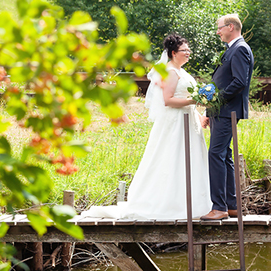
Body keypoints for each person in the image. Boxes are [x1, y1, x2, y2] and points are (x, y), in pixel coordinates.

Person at [81, 34, 212, 220]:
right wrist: (195, 100)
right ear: (174, 53)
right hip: (175, 124)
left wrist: (198, 115)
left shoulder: (181, 72)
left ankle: (189, 203)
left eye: (189, 50)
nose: (188, 53)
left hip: (188, 120)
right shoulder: (171, 72)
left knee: (189, 160)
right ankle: (170, 203)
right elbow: (168, 100)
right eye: (185, 50)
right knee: (172, 159)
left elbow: (184, 100)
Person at [201, 14, 254, 221]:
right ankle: (232, 206)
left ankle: (219, 207)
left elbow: (240, 82)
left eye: (220, 27)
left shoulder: (240, 48)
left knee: (215, 154)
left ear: (231, 27)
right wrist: (209, 110)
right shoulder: (232, 49)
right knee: (225, 156)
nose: (218, 31)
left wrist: (217, 100)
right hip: (221, 111)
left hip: (227, 111)